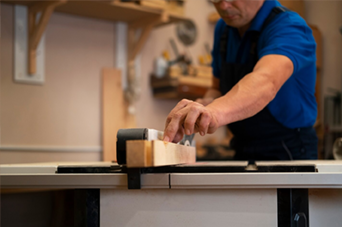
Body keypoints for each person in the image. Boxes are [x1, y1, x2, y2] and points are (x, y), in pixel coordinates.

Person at [163, 0, 318, 160]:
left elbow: (265, 83)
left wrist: (214, 112)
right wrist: (202, 106)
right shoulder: (224, 28)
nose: (223, 6)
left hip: (288, 149)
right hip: (243, 145)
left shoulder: (289, 27)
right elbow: (217, 89)